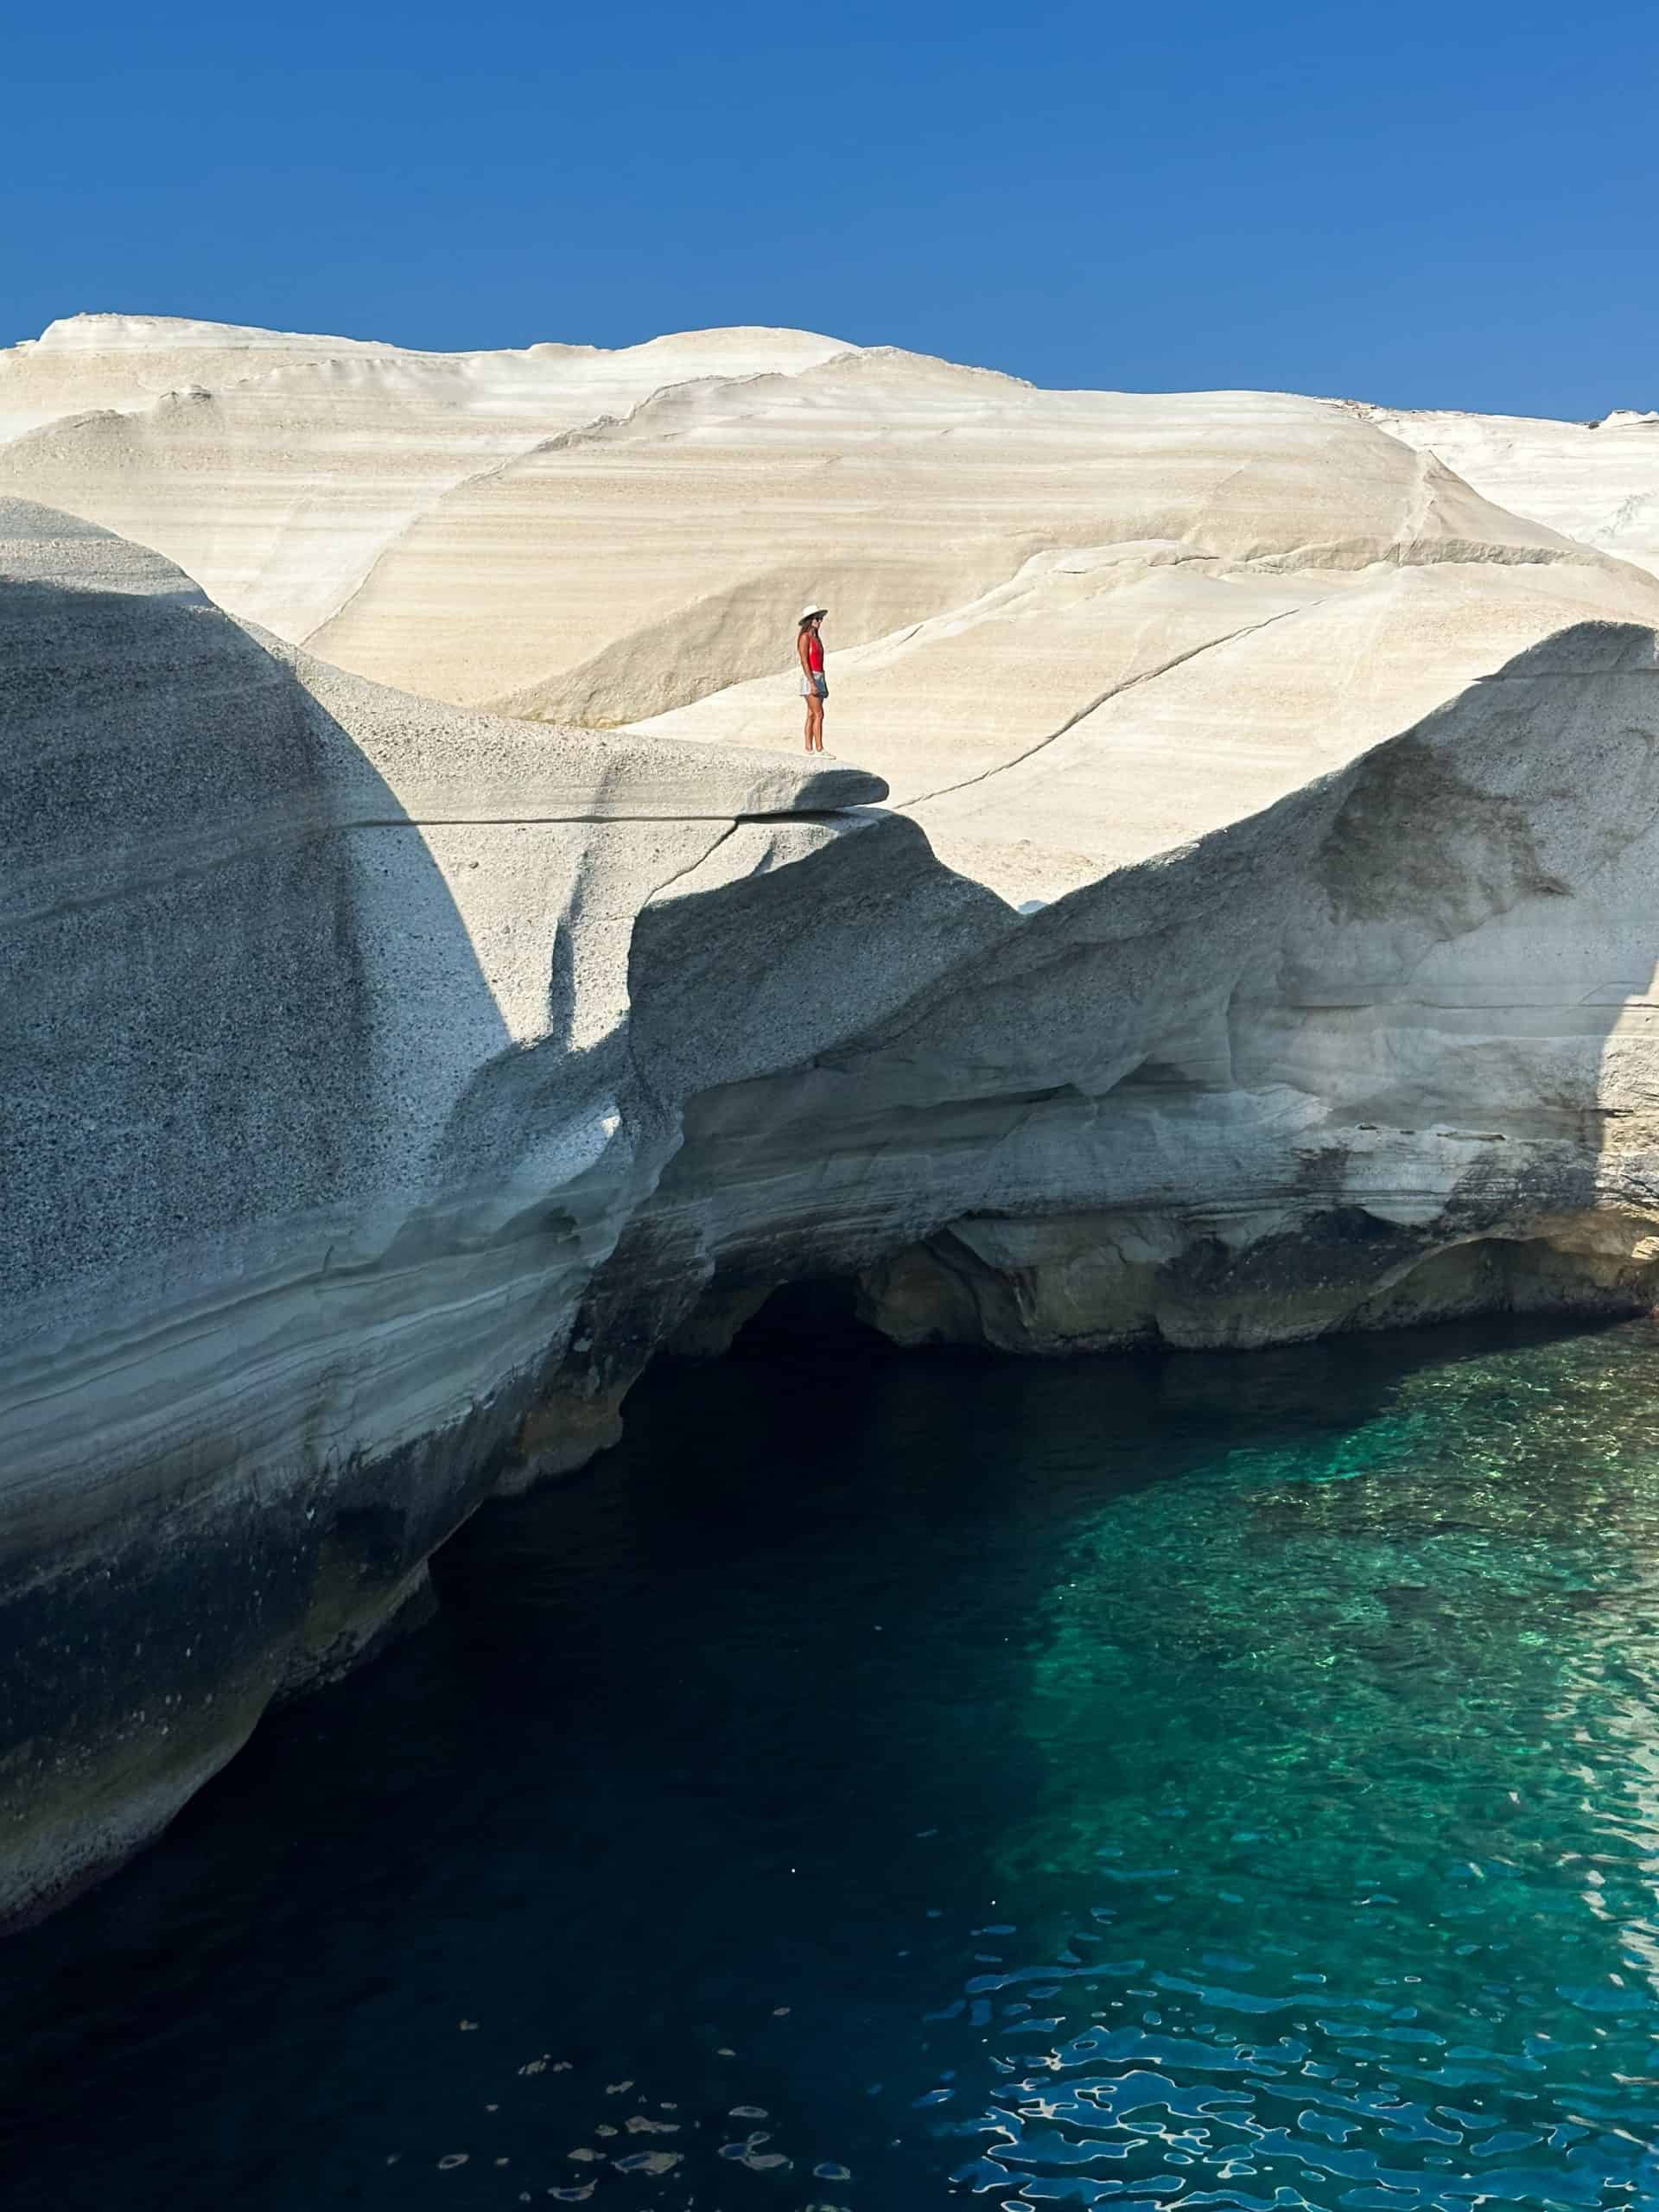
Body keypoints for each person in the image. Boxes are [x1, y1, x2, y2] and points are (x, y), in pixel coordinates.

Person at [797, 602, 829, 753]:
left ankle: (809, 748)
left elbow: (820, 663)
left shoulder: (816, 638)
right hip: (811, 677)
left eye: (820, 618)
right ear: (810, 620)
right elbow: (804, 660)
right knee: (819, 713)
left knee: (811, 713)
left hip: (819, 676)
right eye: (817, 618)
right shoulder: (805, 637)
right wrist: (812, 682)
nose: (820, 621)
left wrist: (823, 684)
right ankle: (819, 748)